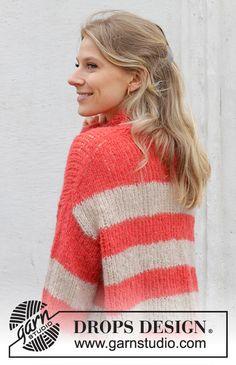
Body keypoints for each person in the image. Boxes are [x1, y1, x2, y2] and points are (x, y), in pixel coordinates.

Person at [42, 10, 211, 321]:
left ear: (135, 78)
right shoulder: (174, 146)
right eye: (78, 64)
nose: (74, 77)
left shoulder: (94, 150)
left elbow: (68, 286)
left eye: (92, 66)